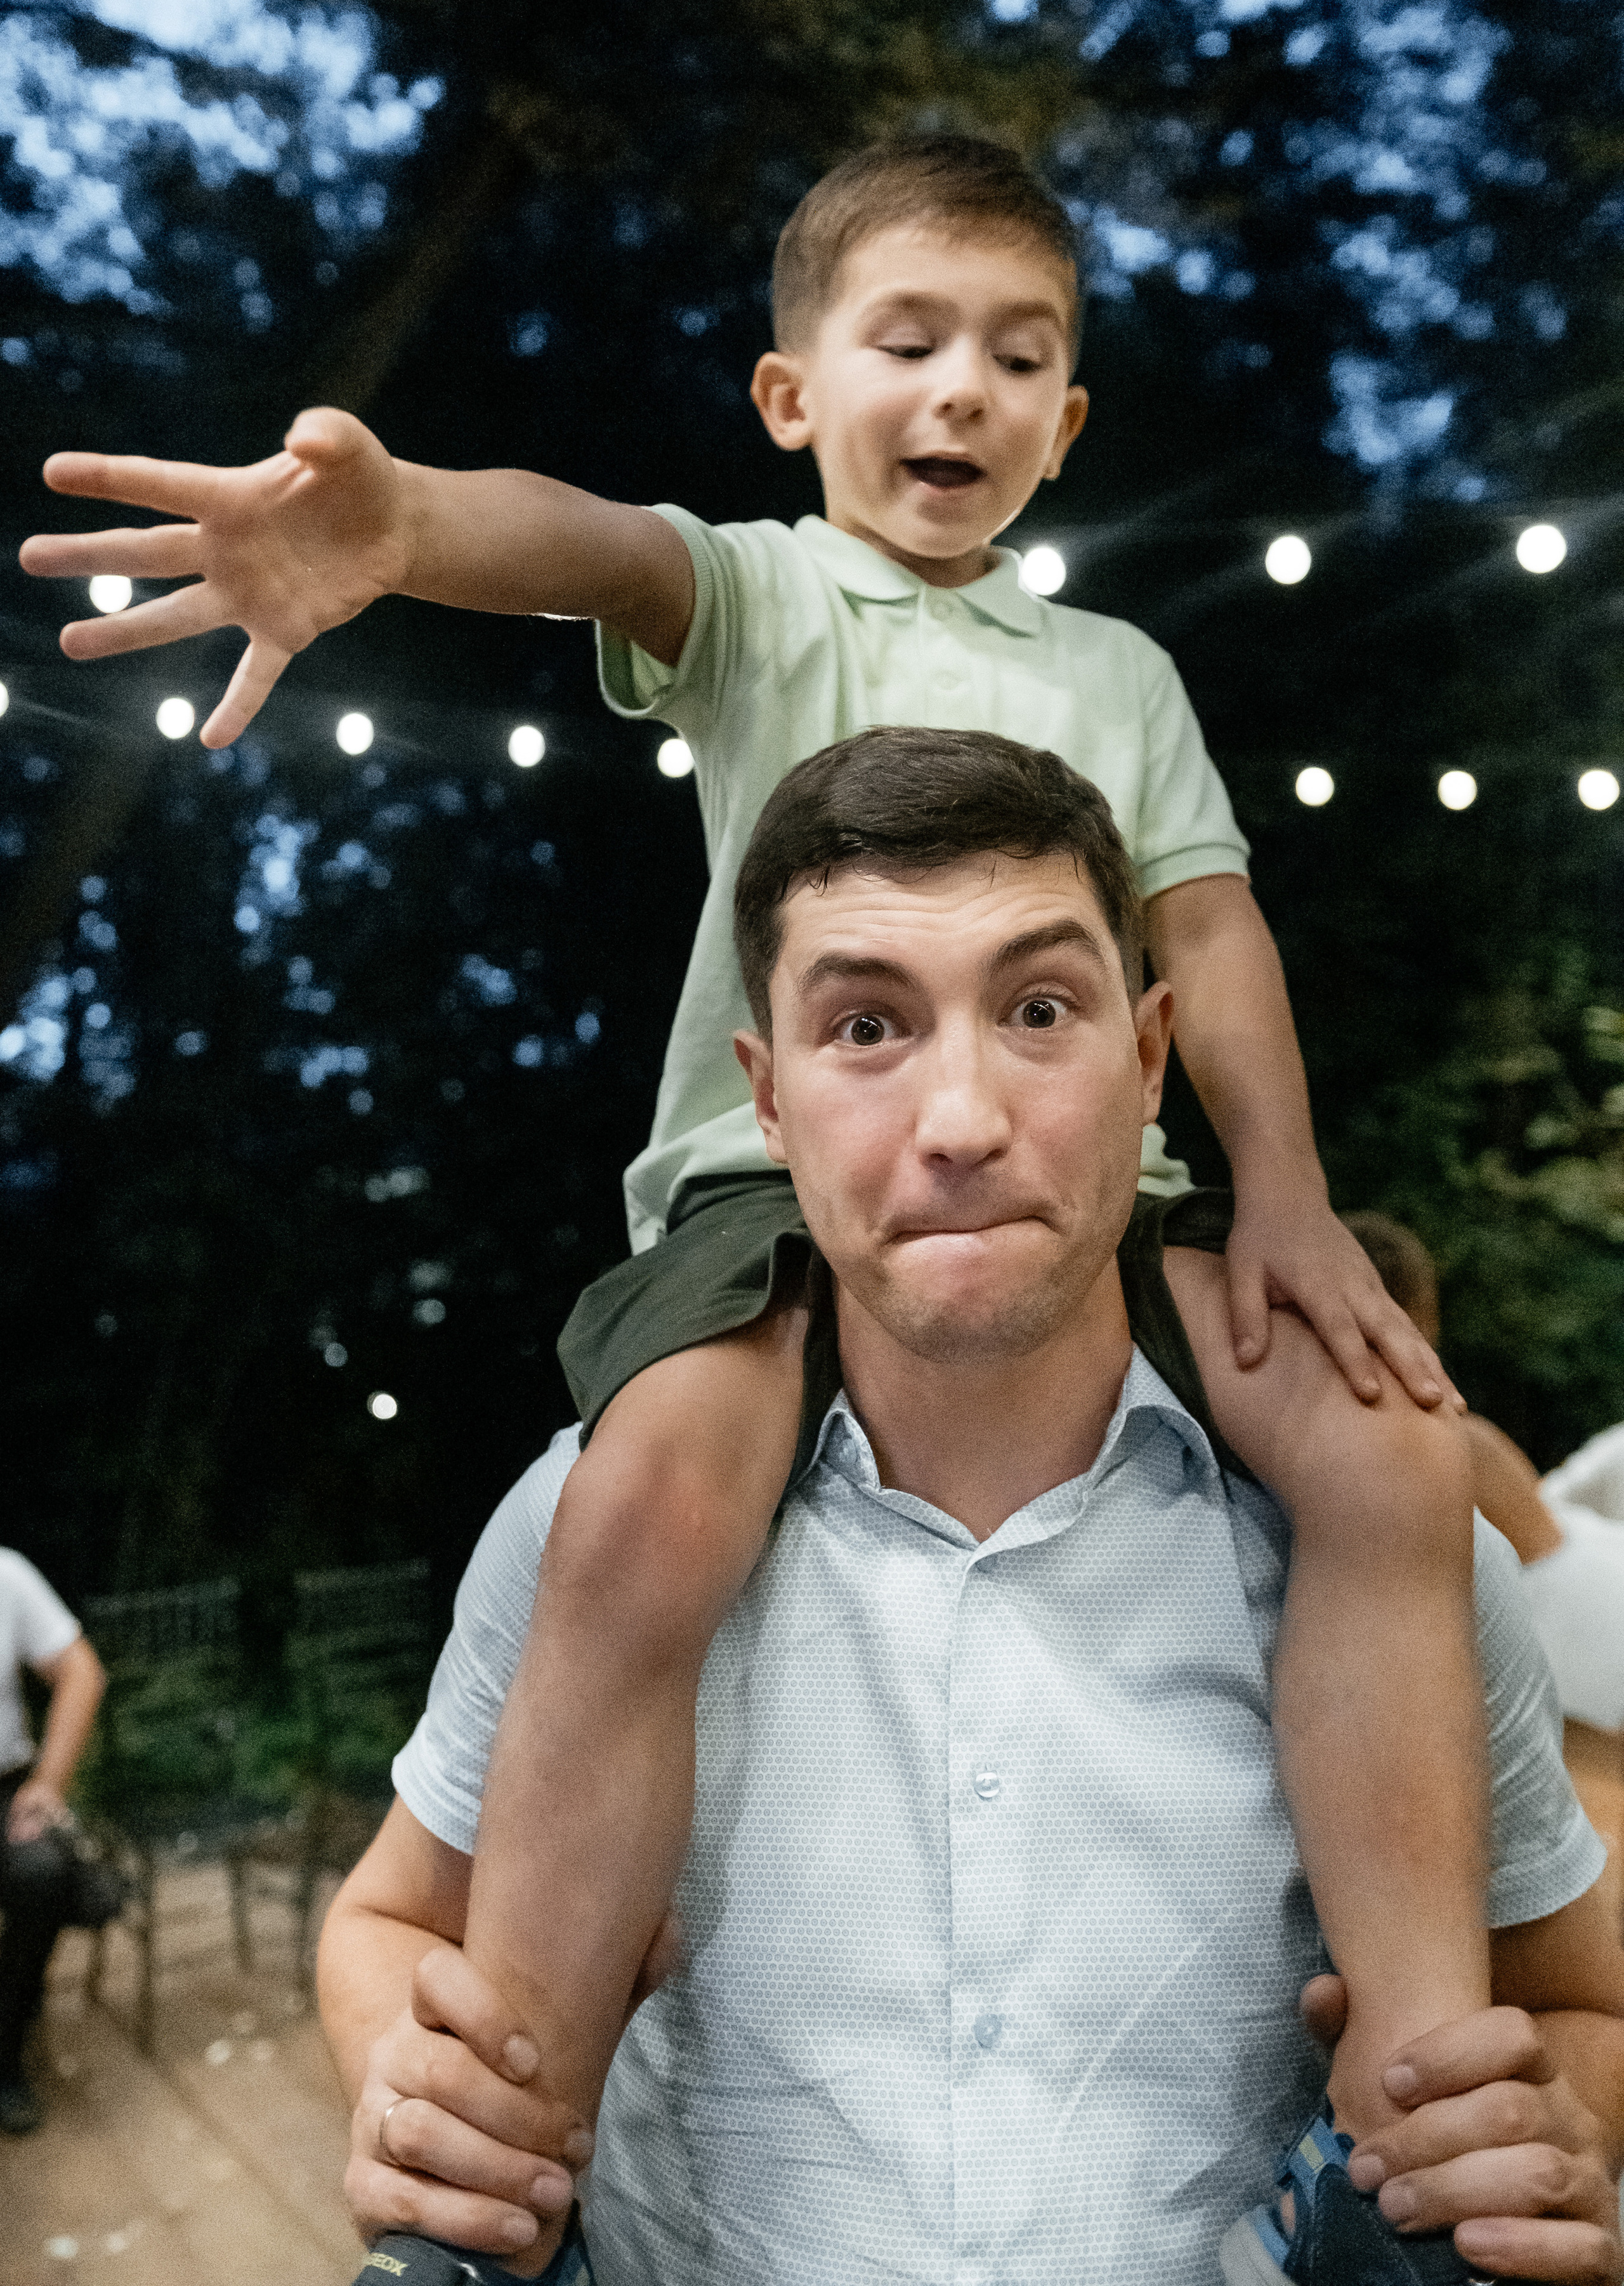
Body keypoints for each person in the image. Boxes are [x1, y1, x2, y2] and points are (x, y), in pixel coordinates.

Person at [22, 137, 1488, 2279]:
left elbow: (1221, 927)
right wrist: (407, 526)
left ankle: (1423, 2134)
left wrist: (1289, 1194)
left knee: (1388, 1453)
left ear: (1068, 423)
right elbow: (600, 552)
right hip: (765, 1212)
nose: (963, 393)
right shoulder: (777, 597)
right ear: (796, 396)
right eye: (908, 343)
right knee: (651, 1496)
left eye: (1020, 356)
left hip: (1120, 1205)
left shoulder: (1126, 681)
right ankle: (493, 2167)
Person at [317, 729, 1624, 2286]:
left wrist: (1541, 2128)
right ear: (769, 1098)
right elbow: (383, 1920)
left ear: (1149, 1059)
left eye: (1038, 1010)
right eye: (865, 1025)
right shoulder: (589, 1516)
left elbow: (1580, 2003)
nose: (959, 1119)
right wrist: (415, 2077)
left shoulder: (1376, 1544)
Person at [1346, 1210, 1624, 1731]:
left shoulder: (1412, 1427)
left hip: (1573, 1608)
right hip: (1588, 1576)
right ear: (1425, 1314)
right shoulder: (1454, 1425)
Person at [0, 1546, 107, 2135]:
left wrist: (48, 1782)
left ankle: (7, 2047)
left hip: (6, 1788)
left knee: (44, 1872)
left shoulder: (5, 1575)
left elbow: (81, 1669)